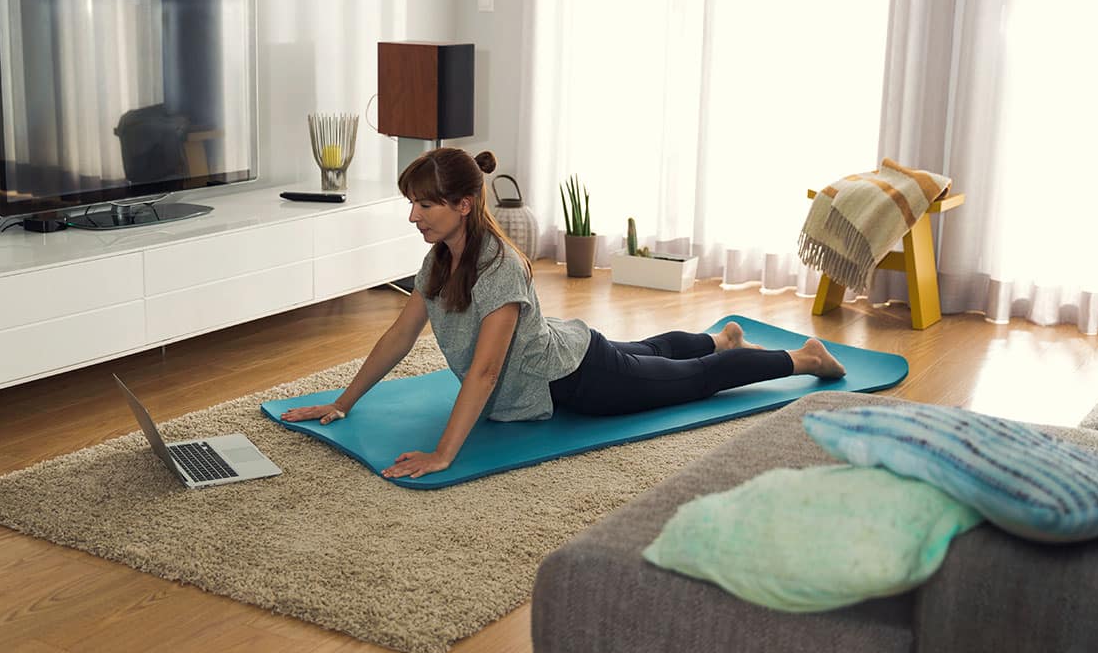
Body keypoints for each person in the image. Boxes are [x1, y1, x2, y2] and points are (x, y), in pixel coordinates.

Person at [282, 147, 846, 479]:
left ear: (463, 204)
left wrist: (443, 453)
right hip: (566, 345)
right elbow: (399, 335)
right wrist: (342, 401)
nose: (413, 216)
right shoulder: (437, 260)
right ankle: (719, 339)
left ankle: (801, 357)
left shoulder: (499, 267)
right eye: (412, 202)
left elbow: (484, 371)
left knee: (689, 383)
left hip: (579, 379)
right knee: (648, 353)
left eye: (424, 204)